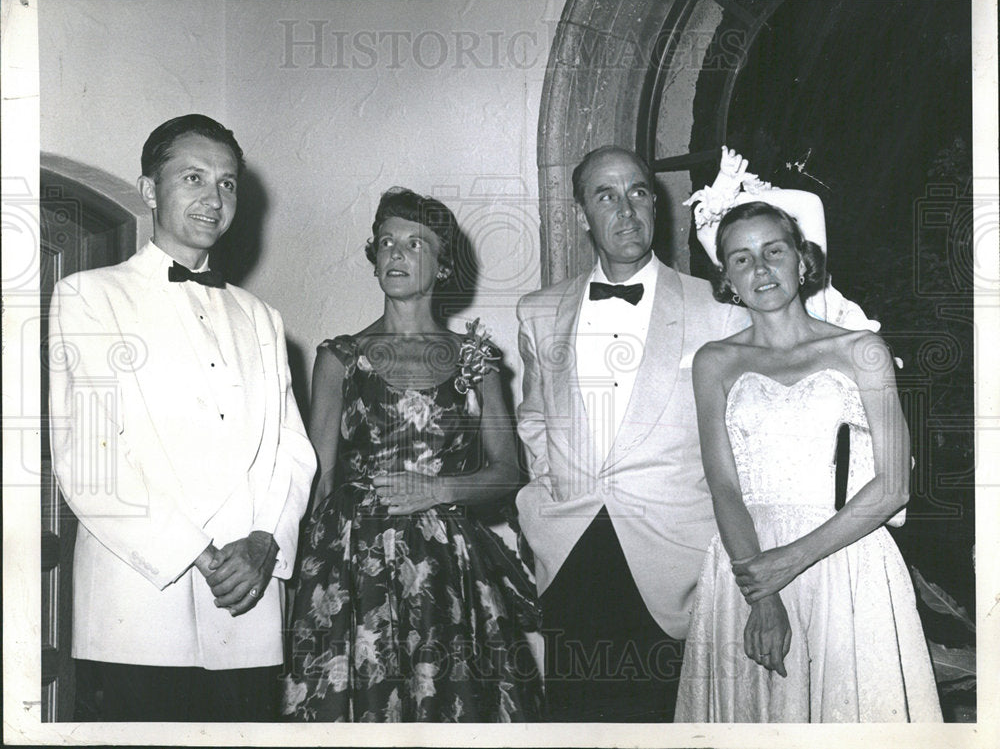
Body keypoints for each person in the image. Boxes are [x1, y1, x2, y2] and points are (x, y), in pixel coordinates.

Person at [514, 146, 874, 722]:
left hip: (676, 559)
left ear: (655, 204)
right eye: (606, 195)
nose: (626, 209)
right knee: (575, 718)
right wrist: (549, 498)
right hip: (569, 549)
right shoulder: (537, 310)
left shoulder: (720, 304)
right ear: (580, 213)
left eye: (638, 192)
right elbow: (534, 421)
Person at [48, 114, 316, 721]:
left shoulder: (262, 318)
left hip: (247, 613)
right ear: (149, 191)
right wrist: (199, 555)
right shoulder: (89, 296)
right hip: (137, 611)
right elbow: (90, 461)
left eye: (226, 184)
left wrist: (264, 542)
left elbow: (292, 452)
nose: (213, 197)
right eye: (192, 177)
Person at [673, 199, 942, 722]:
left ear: (802, 260)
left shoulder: (862, 350)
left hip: (846, 558)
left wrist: (788, 562)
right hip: (747, 565)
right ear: (725, 277)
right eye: (742, 258)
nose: (761, 268)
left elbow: (894, 487)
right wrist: (762, 594)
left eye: (774, 250)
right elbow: (723, 485)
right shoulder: (714, 362)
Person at [283, 187, 542, 722]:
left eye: (415, 244)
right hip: (354, 565)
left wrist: (438, 490)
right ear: (374, 258)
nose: (396, 253)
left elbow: (509, 473)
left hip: (446, 567)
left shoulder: (476, 359)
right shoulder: (340, 358)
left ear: (444, 265)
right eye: (386, 242)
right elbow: (320, 480)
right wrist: (305, 581)